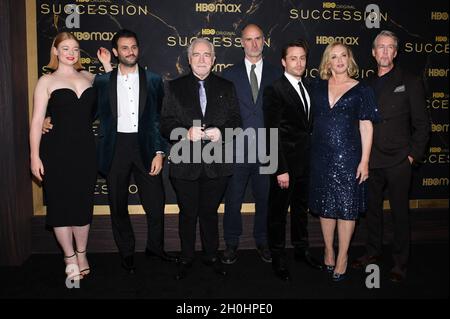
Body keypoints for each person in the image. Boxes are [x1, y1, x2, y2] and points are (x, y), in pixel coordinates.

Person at [44, 29, 177, 274]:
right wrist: (48, 118)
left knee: (156, 202)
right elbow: (82, 111)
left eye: (134, 47)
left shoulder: (155, 80)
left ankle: (155, 248)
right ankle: (126, 253)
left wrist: (160, 151)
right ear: (116, 52)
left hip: (146, 147)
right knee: (118, 205)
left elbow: (160, 118)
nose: (130, 52)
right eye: (124, 48)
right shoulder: (103, 81)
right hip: (115, 149)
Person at [30, 32, 110, 282]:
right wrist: (34, 156)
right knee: (60, 205)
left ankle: (82, 253)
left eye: (75, 48)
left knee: (82, 204)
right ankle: (69, 257)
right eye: (65, 48)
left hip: (85, 150)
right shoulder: (46, 81)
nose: (71, 52)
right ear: (55, 51)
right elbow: (35, 122)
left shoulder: (89, 77)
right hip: (55, 151)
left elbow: (114, 93)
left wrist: (107, 66)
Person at [351, 30, 430, 282]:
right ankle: (373, 252)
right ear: (373, 53)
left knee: (399, 213)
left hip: (398, 160)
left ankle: (400, 262)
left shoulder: (410, 80)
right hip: (371, 160)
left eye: (389, 48)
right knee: (371, 211)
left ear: (395, 52)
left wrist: (412, 157)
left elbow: (422, 124)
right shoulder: (366, 85)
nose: (384, 52)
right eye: (380, 47)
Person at [160, 38, 241, 280]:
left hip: (217, 165)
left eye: (208, 55)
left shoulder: (227, 87)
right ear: (189, 59)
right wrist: (185, 133)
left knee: (209, 212)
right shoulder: (174, 87)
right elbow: (165, 124)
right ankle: (186, 257)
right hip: (185, 164)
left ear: (214, 59)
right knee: (187, 213)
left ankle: (211, 256)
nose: (203, 59)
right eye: (197, 54)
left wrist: (222, 133)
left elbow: (237, 121)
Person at [308, 42, 379, 282]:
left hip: (348, 158)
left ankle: (343, 257)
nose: (339, 61)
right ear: (327, 61)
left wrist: (365, 160)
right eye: (333, 56)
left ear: (350, 59)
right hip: (320, 156)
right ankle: (328, 249)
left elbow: (366, 127)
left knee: (347, 209)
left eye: (343, 56)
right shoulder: (316, 87)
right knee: (326, 206)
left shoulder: (362, 90)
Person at [221, 24, 281, 265]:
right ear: (242, 43)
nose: (254, 44)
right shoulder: (229, 74)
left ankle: (263, 240)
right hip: (236, 149)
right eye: (249, 39)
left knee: (265, 198)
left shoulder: (278, 74)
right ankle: (231, 242)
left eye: (258, 39)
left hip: (268, 149)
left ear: (264, 41)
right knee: (233, 199)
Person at [263, 40, 323, 281]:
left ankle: (301, 250)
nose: (299, 63)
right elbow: (271, 132)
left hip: (306, 163)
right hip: (284, 166)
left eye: (302, 58)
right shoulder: (274, 89)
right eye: (293, 58)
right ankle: (277, 256)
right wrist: (279, 169)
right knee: (277, 213)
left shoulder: (309, 86)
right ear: (283, 62)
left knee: (300, 211)